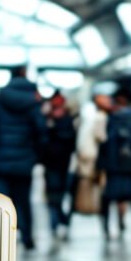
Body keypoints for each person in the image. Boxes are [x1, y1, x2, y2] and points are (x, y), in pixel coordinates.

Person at [0, 66, 45, 250]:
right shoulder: (33, 102)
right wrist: (34, 155)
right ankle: (27, 238)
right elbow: (41, 131)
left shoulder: (0, 100)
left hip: (1, 160)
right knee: (23, 200)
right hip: (24, 160)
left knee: (1, 202)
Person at [99, 90, 131, 238]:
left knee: (108, 195)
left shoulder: (111, 118)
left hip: (112, 164)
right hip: (129, 164)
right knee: (124, 196)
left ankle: (106, 226)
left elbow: (103, 141)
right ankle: (121, 219)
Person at [41, 90, 76, 239]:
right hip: (53, 164)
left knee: (58, 194)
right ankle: (57, 221)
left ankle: (58, 219)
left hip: (61, 164)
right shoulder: (49, 120)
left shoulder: (62, 121)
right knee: (54, 193)